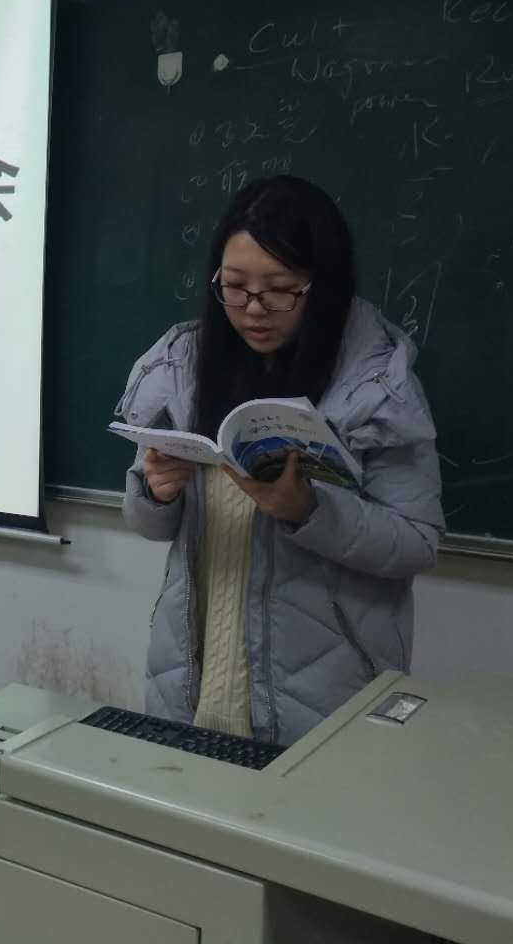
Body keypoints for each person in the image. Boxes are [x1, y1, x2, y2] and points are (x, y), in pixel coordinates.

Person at [118, 176, 444, 746]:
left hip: (322, 700)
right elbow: (150, 525)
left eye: (280, 290)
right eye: (234, 287)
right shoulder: (184, 365)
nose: (253, 309)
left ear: (323, 285)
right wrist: (155, 490)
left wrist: (310, 512)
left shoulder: (376, 387)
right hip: (191, 684)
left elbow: (417, 542)